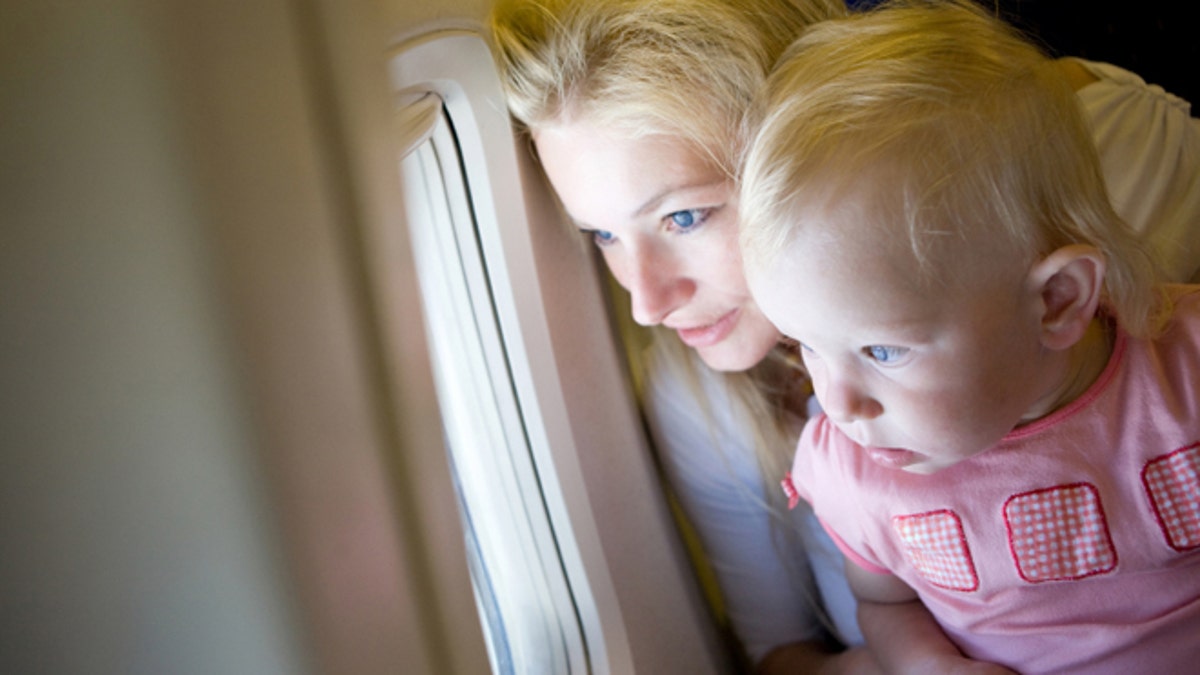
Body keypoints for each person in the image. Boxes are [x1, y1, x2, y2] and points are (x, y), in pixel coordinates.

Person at [487, 0, 1200, 671]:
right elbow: (782, 654)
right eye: (605, 234)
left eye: (685, 217)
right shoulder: (703, 399)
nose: (645, 302)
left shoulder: (1074, 195)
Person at [738, 2, 1200, 673]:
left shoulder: (1183, 370)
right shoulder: (859, 473)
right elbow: (886, 606)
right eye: (804, 344)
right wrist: (931, 666)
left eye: (882, 351)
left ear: (1057, 301)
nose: (837, 405)